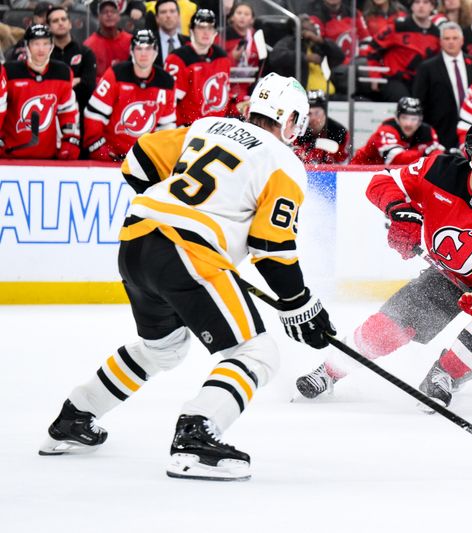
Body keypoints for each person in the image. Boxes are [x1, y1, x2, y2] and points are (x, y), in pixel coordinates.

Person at [39, 73, 336, 482]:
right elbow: (271, 245)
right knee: (257, 353)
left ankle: (76, 416)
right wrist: (300, 303)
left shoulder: (208, 125)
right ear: (290, 121)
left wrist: (175, 208)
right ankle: (195, 438)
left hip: (136, 240)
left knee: (164, 348)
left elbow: (138, 158)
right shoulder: (285, 161)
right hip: (188, 253)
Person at [295, 121, 472, 409]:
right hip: (447, 275)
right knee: (389, 327)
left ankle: (445, 374)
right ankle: (330, 371)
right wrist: (401, 214)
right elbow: (381, 182)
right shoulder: (438, 171)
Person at [84, 29, 176, 162]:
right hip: (111, 156)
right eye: (139, 48)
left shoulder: (166, 82)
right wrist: (99, 149)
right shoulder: (116, 74)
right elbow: (94, 114)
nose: (143, 54)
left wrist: (159, 155)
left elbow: (166, 128)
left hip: (144, 160)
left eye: (148, 48)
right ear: (132, 51)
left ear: (156, 52)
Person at [1, 24, 80, 160]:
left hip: (47, 158)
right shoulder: (9, 71)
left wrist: (70, 140)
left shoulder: (63, 73)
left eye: (45, 44)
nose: (41, 49)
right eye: (36, 44)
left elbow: (68, 113)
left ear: (51, 46)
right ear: (27, 46)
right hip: (10, 156)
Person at [412, 21, 472, 149]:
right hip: (440, 133)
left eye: (455, 38)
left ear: (462, 40)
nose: (451, 42)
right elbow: (420, 102)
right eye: (447, 38)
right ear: (440, 41)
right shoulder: (427, 68)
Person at [165, 9, 231, 126]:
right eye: (201, 27)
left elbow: (224, 96)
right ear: (192, 30)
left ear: (215, 32)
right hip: (188, 128)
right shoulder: (178, 58)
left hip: (218, 127)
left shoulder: (222, 56)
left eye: (210, 28)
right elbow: (170, 101)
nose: (206, 33)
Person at [366, 0, 441, 101]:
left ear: (432, 7)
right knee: (404, 102)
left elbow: (437, 63)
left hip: (420, 81)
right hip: (394, 79)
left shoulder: (437, 33)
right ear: (412, 6)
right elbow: (372, 49)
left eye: (425, 3)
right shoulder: (397, 26)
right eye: (417, 2)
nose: (421, 6)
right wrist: (375, 75)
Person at [351, 96, 444, 164]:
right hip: (361, 172)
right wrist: (425, 154)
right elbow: (395, 160)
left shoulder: (428, 132)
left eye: (414, 119)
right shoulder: (387, 130)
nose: (408, 124)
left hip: (391, 174)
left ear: (420, 120)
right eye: (404, 118)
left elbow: (436, 157)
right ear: (397, 118)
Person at [47, 5, 97, 115]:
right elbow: (44, 87)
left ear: (70, 24)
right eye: (55, 21)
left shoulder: (86, 53)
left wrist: (60, 84)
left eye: (63, 19)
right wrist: (75, 81)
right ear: (49, 27)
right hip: (50, 113)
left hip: (81, 112)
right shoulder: (45, 55)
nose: (60, 23)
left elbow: (89, 86)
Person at [293, 90, 349, 164]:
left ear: (324, 113)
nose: (313, 118)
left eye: (317, 113)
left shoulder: (339, 132)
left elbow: (342, 161)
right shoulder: (298, 130)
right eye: (309, 113)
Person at [84, 0, 134, 82]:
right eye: (104, 12)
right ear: (98, 17)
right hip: (101, 90)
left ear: (119, 16)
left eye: (113, 12)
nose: (109, 14)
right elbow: (89, 76)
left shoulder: (131, 41)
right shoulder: (89, 45)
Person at [150, 0, 189, 67]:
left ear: (179, 16)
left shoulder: (189, 43)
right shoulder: (149, 43)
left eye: (172, 11)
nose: (168, 16)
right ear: (157, 18)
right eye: (163, 12)